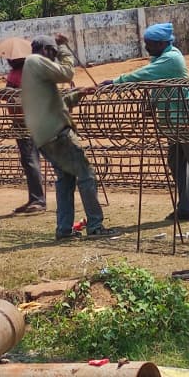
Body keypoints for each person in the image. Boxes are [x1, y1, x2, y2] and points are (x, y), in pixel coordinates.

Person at [103, 23, 189, 222]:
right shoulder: (159, 59)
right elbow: (156, 86)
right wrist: (150, 105)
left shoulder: (171, 58)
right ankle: (185, 208)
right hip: (171, 122)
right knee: (177, 165)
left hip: (187, 120)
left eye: (150, 44)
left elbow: (144, 75)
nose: (147, 47)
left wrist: (116, 82)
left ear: (162, 43)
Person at [22, 34, 119, 240]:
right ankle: (95, 226)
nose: (54, 57)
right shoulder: (36, 61)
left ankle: (64, 230)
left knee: (65, 180)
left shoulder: (31, 71)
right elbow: (66, 73)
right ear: (47, 50)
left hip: (45, 137)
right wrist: (63, 48)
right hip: (59, 134)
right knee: (86, 174)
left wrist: (79, 94)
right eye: (53, 53)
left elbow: (53, 103)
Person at [5, 56, 47, 214]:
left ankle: (38, 200)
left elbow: (11, 95)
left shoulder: (19, 73)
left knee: (30, 160)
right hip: (30, 120)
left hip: (25, 123)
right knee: (29, 160)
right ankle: (34, 198)